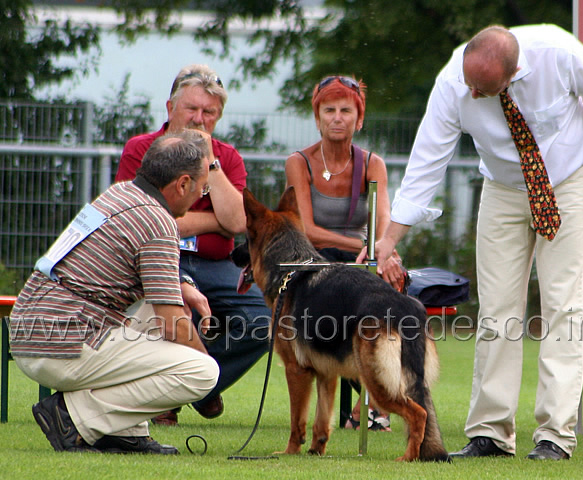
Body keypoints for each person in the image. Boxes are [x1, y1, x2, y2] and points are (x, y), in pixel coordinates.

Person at [363, 24, 583, 460]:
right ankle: (490, 432)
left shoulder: (557, 50)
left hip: (567, 177)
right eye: (469, 83)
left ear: (512, 73)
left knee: (563, 306)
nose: (471, 94)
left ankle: (554, 437)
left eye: (482, 89)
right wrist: (389, 240)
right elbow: (428, 160)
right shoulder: (453, 82)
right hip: (503, 187)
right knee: (497, 308)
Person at [10, 130, 220, 454]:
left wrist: (182, 286)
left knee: (158, 308)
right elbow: (172, 323)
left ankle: (127, 432)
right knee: (202, 372)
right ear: (181, 184)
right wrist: (207, 377)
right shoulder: (159, 221)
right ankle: (74, 418)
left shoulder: (119, 193)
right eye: (202, 186)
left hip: (30, 327)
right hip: (62, 341)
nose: (200, 193)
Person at [115, 64, 270, 426]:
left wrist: (208, 160)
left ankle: (194, 387)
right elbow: (142, 219)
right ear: (170, 109)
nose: (199, 119)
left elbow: (236, 222)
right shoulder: (142, 150)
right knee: (175, 315)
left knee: (266, 319)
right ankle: (186, 391)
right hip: (159, 257)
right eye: (192, 109)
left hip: (218, 265)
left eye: (209, 112)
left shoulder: (226, 157)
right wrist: (211, 219)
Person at [285, 75, 405, 431]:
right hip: (316, 261)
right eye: (329, 110)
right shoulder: (299, 162)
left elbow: (383, 217)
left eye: (346, 111)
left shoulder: (372, 164)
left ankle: (375, 402)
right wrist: (365, 245)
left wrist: (382, 248)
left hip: (361, 260)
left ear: (359, 118)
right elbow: (305, 228)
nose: (337, 118)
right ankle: (366, 397)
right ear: (318, 117)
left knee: (390, 279)